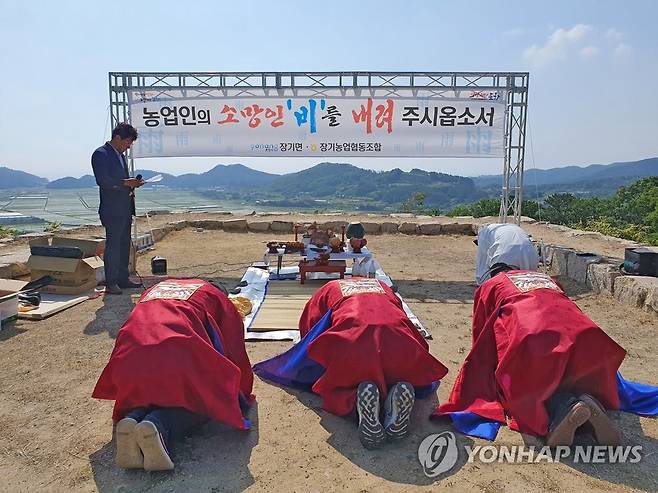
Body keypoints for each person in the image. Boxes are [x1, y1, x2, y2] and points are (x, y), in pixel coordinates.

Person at [432, 235, 658, 445]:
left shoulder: (490, 286)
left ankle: (561, 417)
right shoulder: (547, 279)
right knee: (574, 374)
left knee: (528, 387)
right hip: (589, 338)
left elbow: (482, 334)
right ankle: (589, 403)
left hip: (537, 339)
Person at [254, 278, 448, 449]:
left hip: (354, 340)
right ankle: (393, 392)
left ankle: (356, 400)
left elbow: (310, 327)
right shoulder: (382, 286)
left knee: (342, 382)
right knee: (398, 369)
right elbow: (400, 313)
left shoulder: (328, 288)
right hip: (402, 342)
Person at [93, 279, 255, 471]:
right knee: (202, 398)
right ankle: (159, 425)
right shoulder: (217, 298)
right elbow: (233, 347)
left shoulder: (159, 288)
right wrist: (238, 391)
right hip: (176, 353)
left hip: (130, 357)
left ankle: (132, 418)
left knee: (152, 389)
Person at [91, 123, 145, 295]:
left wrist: (132, 184)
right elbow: (103, 181)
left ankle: (123, 278)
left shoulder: (120, 156)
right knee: (113, 245)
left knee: (124, 244)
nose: (128, 146)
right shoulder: (101, 154)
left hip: (125, 207)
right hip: (112, 209)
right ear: (117, 137)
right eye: (127, 141)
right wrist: (125, 183)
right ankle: (111, 281)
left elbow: (122, 181)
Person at [474, 223, 539, 285]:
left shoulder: (483, 234)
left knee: (501, 283)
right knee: (528, 285)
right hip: (531, 253)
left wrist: (481, 282)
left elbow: (482, 263)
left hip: (506, 253)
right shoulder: (510, 227)